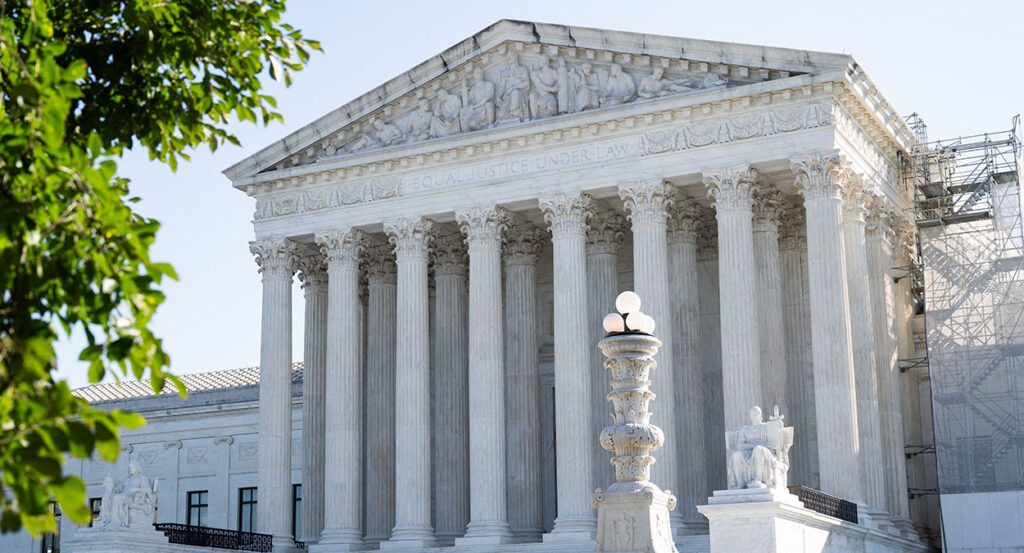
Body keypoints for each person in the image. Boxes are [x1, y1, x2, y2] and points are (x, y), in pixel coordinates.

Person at [726, 405, 792, 490]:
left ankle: (758, 479)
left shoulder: (767, 427)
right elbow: (740, 446)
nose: (754, 416)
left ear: (760, 415)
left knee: (758, 449)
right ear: (750, 416)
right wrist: (756, 444)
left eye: (756, 414)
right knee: (736, 455)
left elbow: (778, 440)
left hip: (766, 453)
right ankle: (740, 483)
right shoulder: (745, 429)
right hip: (748, 453)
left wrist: (779, 426)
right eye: (752, 414)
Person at [460, 67, 496, 131]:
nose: (479, 74)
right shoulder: (473, 89)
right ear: (474, 76)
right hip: (476, 111)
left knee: (489, 104)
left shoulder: (489, 84)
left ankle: (491, 125)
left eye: (481, 73)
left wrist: (475, 106)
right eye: (477, 73)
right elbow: (466, 102)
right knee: (471, 124)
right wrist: (464, 88)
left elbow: (486, 98)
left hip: (485, 109)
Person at [497, 55, 530, 122]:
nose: (508, 59)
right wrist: (499, 96)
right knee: (500, 115)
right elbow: (502, 87)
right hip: (507, 96)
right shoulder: (505, 73)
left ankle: (515, 112)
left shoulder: (522, 69)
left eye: (510, 57)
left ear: (515, 58)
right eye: (507, 58)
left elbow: (527, 83)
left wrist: (514, 87)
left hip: (520, 94)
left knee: (515, 91)